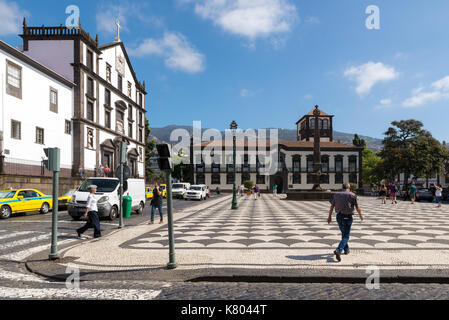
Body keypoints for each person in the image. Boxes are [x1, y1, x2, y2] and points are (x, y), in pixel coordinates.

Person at [328, 183, 364, 262]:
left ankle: (346, 250)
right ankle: (338, 250)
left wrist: (329, 216)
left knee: (344, 234)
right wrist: (361, 216)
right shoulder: (352, 195)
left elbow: (332, 206)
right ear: (349, 188)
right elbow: (357, 207)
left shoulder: (336, 194)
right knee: (346, 236)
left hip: (339, 217)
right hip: (348, 217)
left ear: (342, 187)